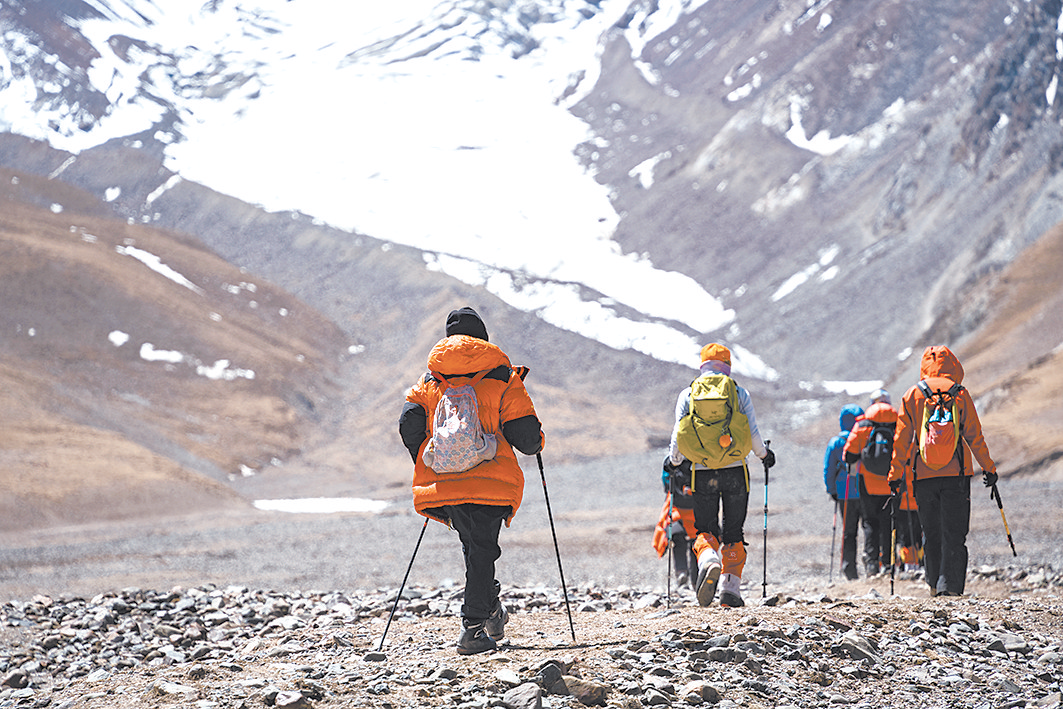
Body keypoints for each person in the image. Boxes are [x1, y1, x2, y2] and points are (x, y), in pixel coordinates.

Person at [398, 307, 545, 654]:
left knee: (476, 549)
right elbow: (524, 436)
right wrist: (537, 443)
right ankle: (473, 628)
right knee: (481, 550)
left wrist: (428, 459)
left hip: (446, 482)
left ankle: (491, 611)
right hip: (490, 484)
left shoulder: (430, 382)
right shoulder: (502, 378)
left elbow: (408, 425)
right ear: (482, 338)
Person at [667, 343, 775, 608]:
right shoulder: (738, 392)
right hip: (736, 471)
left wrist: (674, 461)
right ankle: (730, 591)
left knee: (705, 528)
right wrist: (764, 456)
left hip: (702, 472)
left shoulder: (688, 393)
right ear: (728, 365)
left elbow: (678, 434)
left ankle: (708, 560)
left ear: (702, 365)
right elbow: (753, 433)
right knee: (734, 531)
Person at [889, 345, 998, 597]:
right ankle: (951, 587)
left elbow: (902, 440)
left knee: (931, 531)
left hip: (923, 477)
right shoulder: (960, 394)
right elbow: (975, 436)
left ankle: (933, 584)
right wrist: (989, 469)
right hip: (957, 475)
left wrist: (895, 476)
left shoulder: (912, 395)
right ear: (953, 364)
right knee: (954, 532)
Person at [843, 390, 897, 576]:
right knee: (888, 522)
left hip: (867, 482)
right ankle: (889, 565)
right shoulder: (898, 423)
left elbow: (848, 455)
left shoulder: (863, 424)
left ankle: (872, 564)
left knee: (870, 523)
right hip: (891, 481)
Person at [824, 404, 863, 580]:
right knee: (871, 529)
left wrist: (832, 490)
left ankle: (849, 570)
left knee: (849, 532)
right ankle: (874, 566)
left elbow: (828, 468)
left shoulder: (835, 443)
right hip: (865, 492)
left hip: (844, 494)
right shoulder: (864, 438)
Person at [652, 458, 699, 588]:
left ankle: (681, 571)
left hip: (677, 509)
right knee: (697, 543)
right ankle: (696, 580)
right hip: (697, 509)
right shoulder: (699, 458)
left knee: (677, 538)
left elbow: (666, 483)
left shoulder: (671, 461)